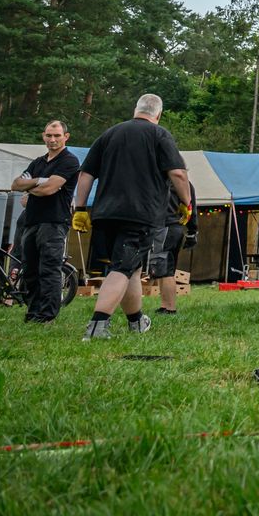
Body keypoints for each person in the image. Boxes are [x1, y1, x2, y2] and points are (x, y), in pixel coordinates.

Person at [69, 93, 190, 340]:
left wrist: (80, 208)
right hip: (139, 215)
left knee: (131, 269)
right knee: (122, 268)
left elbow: (86, 174)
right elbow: (178, 173)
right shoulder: (159, 135)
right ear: (158, 114)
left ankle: (136, 322)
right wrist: (187, 203)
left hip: (105, 214)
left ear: (136, 109)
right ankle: (97, 325)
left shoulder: (109, 134)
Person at [13, 119, 80, 323]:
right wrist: (39, 182)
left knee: (49, 269)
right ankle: (33, 312)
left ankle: (47, 315)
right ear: (43, 136)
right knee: (30, 270)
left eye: (57, 135)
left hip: (54, 222)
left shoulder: (69, 161)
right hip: (31, 221)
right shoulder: (38, 162)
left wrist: (31, 188)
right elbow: (16, 184)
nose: (52, 139)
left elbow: (49, 189)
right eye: (49, 135)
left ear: (66, 137)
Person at [147, 177, 193, 317]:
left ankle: (169, 308)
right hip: (176, 228)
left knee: (165, 270)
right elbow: (192, 207)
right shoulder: (186, 184)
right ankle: (165, 305)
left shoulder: (160, 181)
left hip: (165, 227)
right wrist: (192, 231)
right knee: (165, 269)